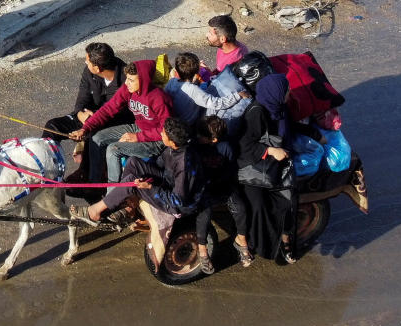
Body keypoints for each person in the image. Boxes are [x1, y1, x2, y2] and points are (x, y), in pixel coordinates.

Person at [86, 118, 200, 270]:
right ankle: (126, 204)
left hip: (176, 203)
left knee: (133, 182)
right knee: (134, 162)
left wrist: (150, 187)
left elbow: (177, 200)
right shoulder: (172, 148)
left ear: (172, 142)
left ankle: (96, 210)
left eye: (163, 133)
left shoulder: (184, 165)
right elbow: (159, 165)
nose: (161, 134)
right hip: (167, 181)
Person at [69, 60, 171, 183]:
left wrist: (138, 137)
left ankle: (113, 195)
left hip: (156, 140)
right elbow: (107, 110)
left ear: (144, 80)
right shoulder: (128, 89)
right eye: (127, 78)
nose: (127, 83)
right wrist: (85, 128)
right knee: (96, 138)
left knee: (113, 150)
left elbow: (166, 130)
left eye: (131, 80)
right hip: (138, 128)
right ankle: (95, 183)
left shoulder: (159, 98)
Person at [43, 42, 128, 180]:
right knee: (52, 126)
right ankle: (48, 175)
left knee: (94, 137)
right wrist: (80, 113)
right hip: (87, 116)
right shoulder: (89, 72)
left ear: (98, 67)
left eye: (87, 61)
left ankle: (90, 179)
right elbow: (82, 97)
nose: (85, 62)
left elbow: (116, 113)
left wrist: (88, 126)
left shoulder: (125, 80)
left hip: (112, 122)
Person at [236, 74, 297, 263]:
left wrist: (316, 136)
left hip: (273, 165)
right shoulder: (256, 113)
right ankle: (260, 245)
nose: (289, 93)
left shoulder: (280, 109)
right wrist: (270, 150)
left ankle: (285, 238)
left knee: (288, 200)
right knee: (259, 205)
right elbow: (244, 145)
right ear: (275, 93)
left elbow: (292, 128)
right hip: (252, 166)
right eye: (286, 90)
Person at [192, 115, 251, 273]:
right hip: (203, 186)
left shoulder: (226, 147)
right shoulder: (195, 146)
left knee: (240, 208)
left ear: (214, 140)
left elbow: (230, 170)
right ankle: (203, 250)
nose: (198, 137)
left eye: (202, 136)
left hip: (221, 183)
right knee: (204, 213)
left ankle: (241, 241)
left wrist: (220, 182)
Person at [164, 52, 250, 126]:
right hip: (189, 123)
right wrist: (238, 96)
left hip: (175, 119)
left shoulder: (172, 82)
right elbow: (215, 103)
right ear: (197, 71)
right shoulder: (192, 89)